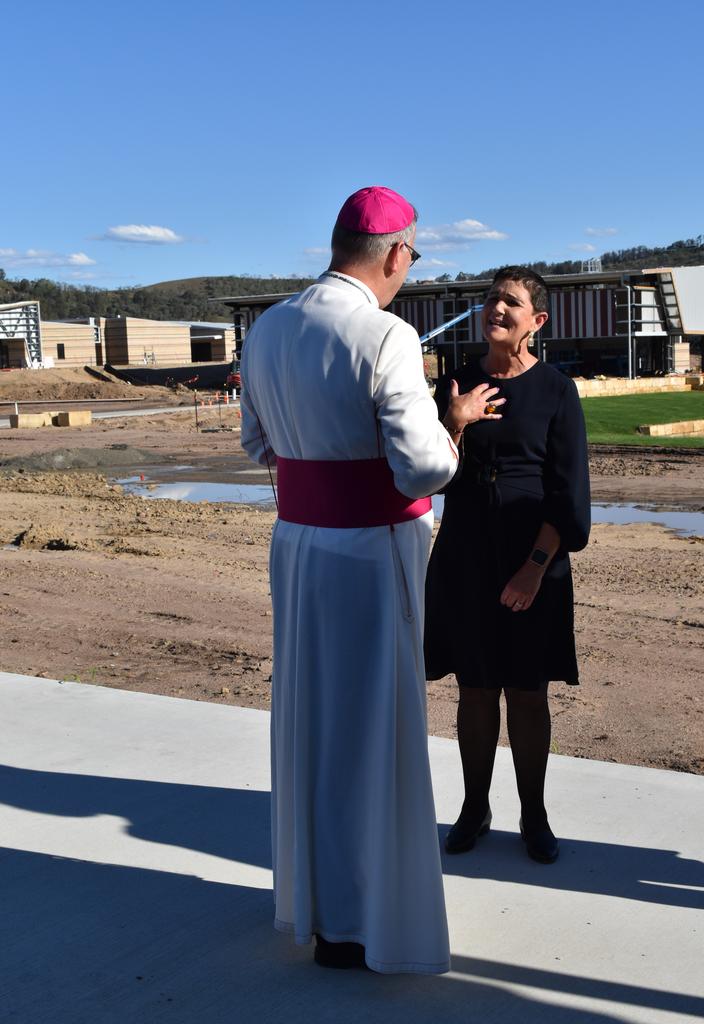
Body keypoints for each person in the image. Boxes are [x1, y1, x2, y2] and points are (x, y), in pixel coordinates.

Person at [240, 187, 487, 974]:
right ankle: (366, 919)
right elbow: (422, 467)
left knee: (311, 721)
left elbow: (256, 444)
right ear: (394, 254)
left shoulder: (269, 327)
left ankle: (313, 903)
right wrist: (453, 430)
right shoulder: (385, 335)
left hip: (298, 546)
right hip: (371, 552)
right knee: (373, 731)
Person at [424, 266, 590, 864]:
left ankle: (535, 814)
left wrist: (535, 566)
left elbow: (567, 494)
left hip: (533, 557)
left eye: (511, 302)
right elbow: (427, 468)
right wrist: (455, 420)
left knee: (526, 690)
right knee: (474, 689)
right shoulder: (456, 382)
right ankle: (474, 808)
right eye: (492, 298)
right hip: (466, 553)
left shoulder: (555, 391)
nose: (497, 308)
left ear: (535, 322)